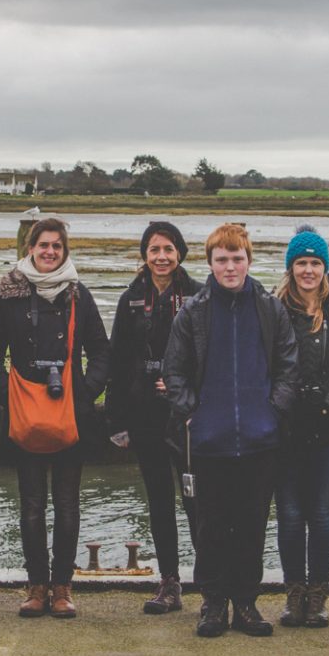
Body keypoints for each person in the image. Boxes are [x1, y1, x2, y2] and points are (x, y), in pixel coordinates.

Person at [163, 223, 297, 639]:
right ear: (210, 263)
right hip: (209, 440)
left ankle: (247, 602)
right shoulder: (194, 311)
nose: (230, 266)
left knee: (252, 523)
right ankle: (214, 601)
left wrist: (273, 411)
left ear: (249, 260)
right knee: (211, 524)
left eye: (237, 258)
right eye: (222, 259)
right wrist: (192, 414)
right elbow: (175, 369)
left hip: (259, 439)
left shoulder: (269, 307)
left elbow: (289, 364)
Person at [0, 217, 110, 619]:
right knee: (32, 504)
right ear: (30, 248)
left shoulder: (78, 295)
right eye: (43, 245)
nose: (50, 252)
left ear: (65, 250)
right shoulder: (9, 294)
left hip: (68, 413)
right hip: (25, 413)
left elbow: (101, 352)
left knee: (68, 504)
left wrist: (85, 393)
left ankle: (62, 587)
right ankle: (36, 586)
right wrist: (9, 396)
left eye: (57, 246)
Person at [271, 225, 329, 629]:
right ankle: (294, 594)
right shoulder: (273, 311)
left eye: (314, 263)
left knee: (322, 514)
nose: (307, 270)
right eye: (300, 263)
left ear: (325, 267)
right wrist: (284, 404)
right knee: (290, 514)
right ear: (290, 268)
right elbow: (267, 364)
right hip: (286, 428)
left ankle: (318, 595)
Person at [106, 221, 201, 615]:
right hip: (144, 413)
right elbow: (117, 360)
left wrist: (184, 385)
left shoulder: (198, 296)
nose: (161, 257)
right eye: (154, 250)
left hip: (187, 416)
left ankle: (210, 578)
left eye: (168, 249)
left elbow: (209, 355)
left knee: (197, 499)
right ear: (144, 256)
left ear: (179, 253)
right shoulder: (131, 299)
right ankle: (169, 581)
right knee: (159, 501)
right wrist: (116, 420)